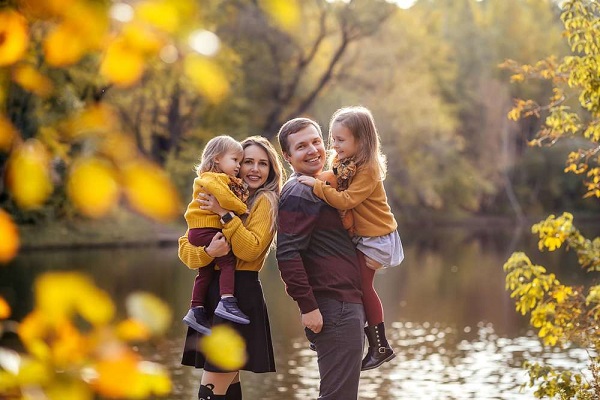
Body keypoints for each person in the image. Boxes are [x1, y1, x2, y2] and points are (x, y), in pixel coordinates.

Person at [297, 105, 403, 371]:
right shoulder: (344, 163)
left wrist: (316, 186)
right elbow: (332, 179)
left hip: (377, 238)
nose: (335, 144)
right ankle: (322, 333)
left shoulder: (367, 169)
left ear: (361, 140)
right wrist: (308, 179)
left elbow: (347, 198)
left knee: (362, 286)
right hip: (363, 236)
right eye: (333, 139)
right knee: (343, 276)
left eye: (341, 140)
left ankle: (380, 346)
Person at [179, 136, 284, 400]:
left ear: (271, 169)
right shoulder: (218, 189)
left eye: (263, 163)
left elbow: (250, 250)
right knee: (227, 387)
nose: (253, 169)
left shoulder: (265, 201)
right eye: (247, 161)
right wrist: (208, 252)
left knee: (211, 389)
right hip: (210, 297)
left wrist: (226, 215)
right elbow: (185, 248)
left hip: (239, 294)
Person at [276, 117, 365, 399]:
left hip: (341, 303)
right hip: (333, 305)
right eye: (301, 146)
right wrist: (308, 306)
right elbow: (288, 252)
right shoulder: (300, 192)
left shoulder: (319, 187)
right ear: (287, 156)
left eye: (316, 142)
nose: (313, 150)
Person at [182, 135, 251, 336]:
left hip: (198, 230)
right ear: (217, 158)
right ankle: (227, 300)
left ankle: (196, 309)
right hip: (207, 230)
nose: (238, 166)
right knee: (227, 262)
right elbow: (225, 198)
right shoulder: (215, 179)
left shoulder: (210, 179)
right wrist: (241, 208)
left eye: (240, 161)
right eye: (234, 160)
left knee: (205, 273)